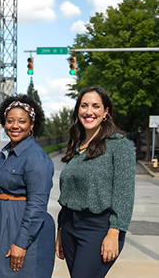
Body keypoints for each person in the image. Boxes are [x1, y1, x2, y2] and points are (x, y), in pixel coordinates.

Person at [56, 86, 136, 278]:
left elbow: (124, 193)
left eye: (95, 106)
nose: (89, 111)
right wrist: (60, 229)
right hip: (69, 226)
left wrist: (114, 233)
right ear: (78, 110)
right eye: (84, 106)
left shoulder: (119, 145)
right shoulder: (78, 144)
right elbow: (67, 193)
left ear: (105, 111)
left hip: (98, 228)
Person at [0, 94, 55, 277]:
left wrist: (22, 241)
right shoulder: (5, 153)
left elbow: (38, 203)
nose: (15, 126)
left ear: (32, 125)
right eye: (10, 121)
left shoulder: (36, 157)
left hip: (18, 225)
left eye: (22, 121)